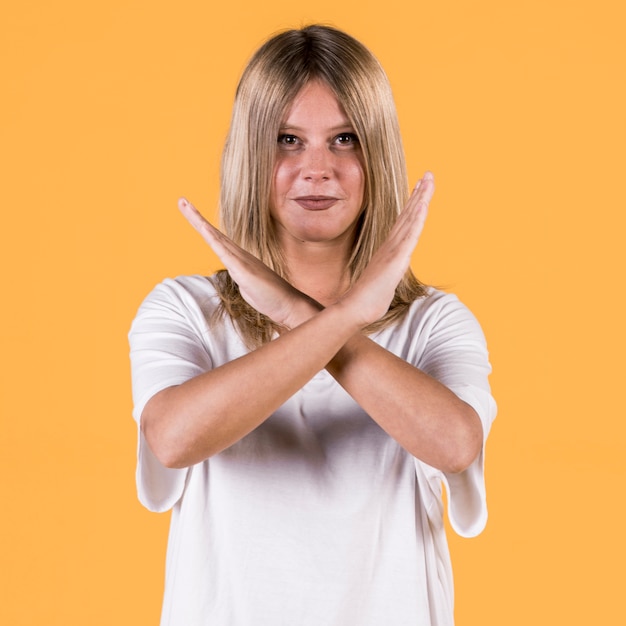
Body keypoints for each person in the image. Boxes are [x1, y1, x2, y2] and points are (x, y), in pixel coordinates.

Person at [129, 24, 496, 626]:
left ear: (377, 152)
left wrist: (300, 315)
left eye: (345, 139)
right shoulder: (185, 310)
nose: (317, 168)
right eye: (288, 140)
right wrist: (349, 317)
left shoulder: (433, 323)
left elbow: (455, 444)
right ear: (252, 154)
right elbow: (172, 440)